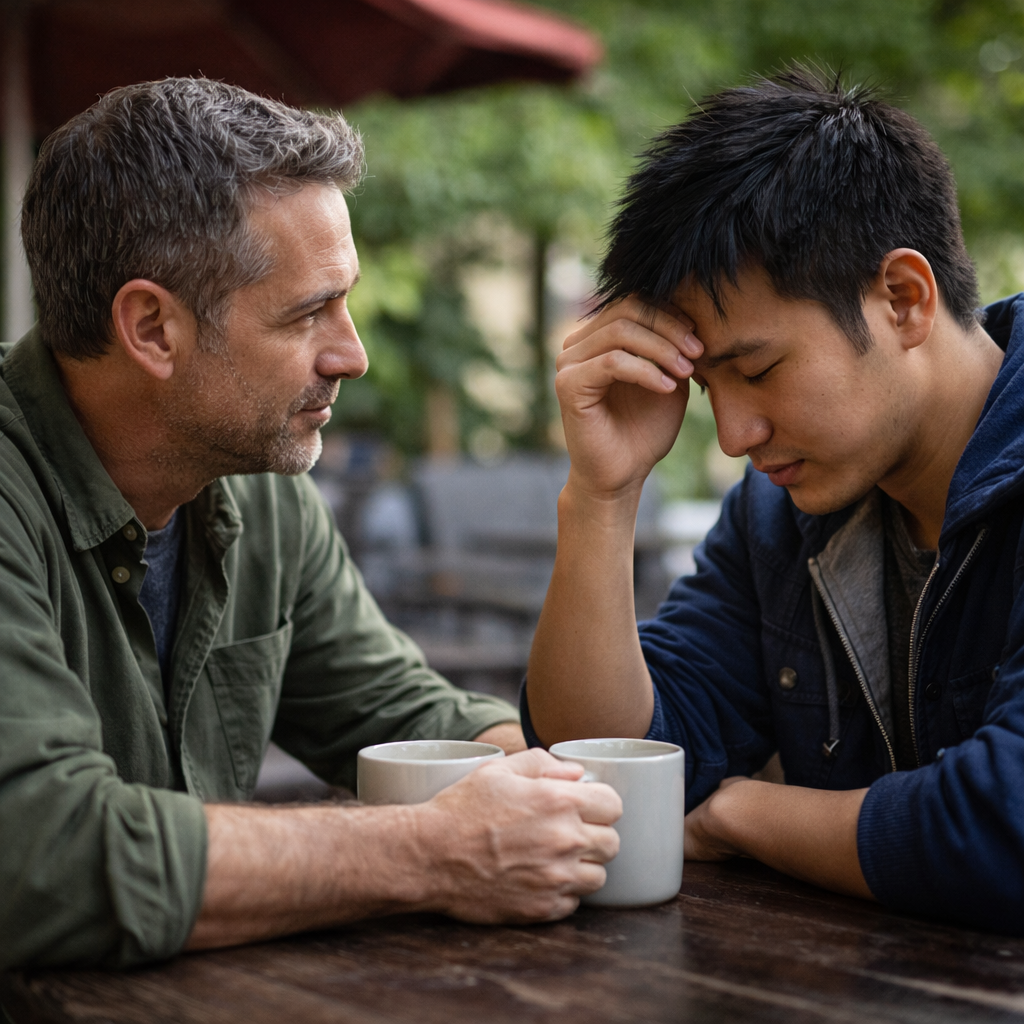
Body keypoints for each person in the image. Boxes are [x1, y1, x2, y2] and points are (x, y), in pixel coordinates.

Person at [0, 78, 621, 971]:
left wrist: (587, 790)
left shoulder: (252, 483)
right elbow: (41, 857)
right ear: (151, 328)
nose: (352, 353)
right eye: (307, 313)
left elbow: (400, 712)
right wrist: (435, 852)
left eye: (346, 300)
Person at [525, 68, 1024, 934]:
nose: (733, 435)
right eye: (708, 386)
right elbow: (610, 770)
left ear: (902, 299)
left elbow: (1002, 828)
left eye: (757, 371)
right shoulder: (777, 520)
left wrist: (739, 815)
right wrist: (602, 495)